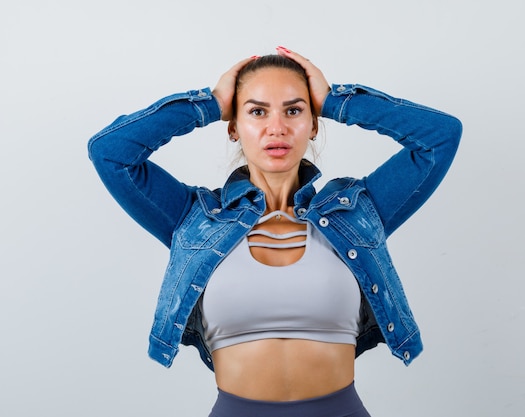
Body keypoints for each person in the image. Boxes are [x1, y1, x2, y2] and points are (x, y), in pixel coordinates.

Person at [88, 46, 462, 417]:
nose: (277, 127)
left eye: (295, 110)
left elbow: (440, 137)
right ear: (233, 126)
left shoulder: (357, 213)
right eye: (256, 111)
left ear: (313, 125)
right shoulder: (195, 218)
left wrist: (335, 101)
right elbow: (110, 152)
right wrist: (208, 104)